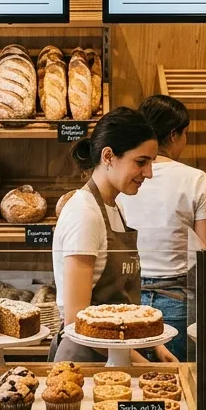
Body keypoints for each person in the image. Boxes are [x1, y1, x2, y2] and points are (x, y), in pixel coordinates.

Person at [50, 107, 172, 362]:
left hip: (115, 354)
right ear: (108, 156)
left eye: (152, 162)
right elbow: (76, 319)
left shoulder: (114, 207)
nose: (148, 173)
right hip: (86, 359)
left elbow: (121, 305)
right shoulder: (84, 214)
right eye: (141, 162)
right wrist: (140, 362)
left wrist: (155, 346)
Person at [117, 95, 206, 360]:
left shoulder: (122, 177)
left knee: (134, 391)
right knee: (180, 389)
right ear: (174, 135)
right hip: (177, 301)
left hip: (128, 301)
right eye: (186, 134)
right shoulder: (195, 179)